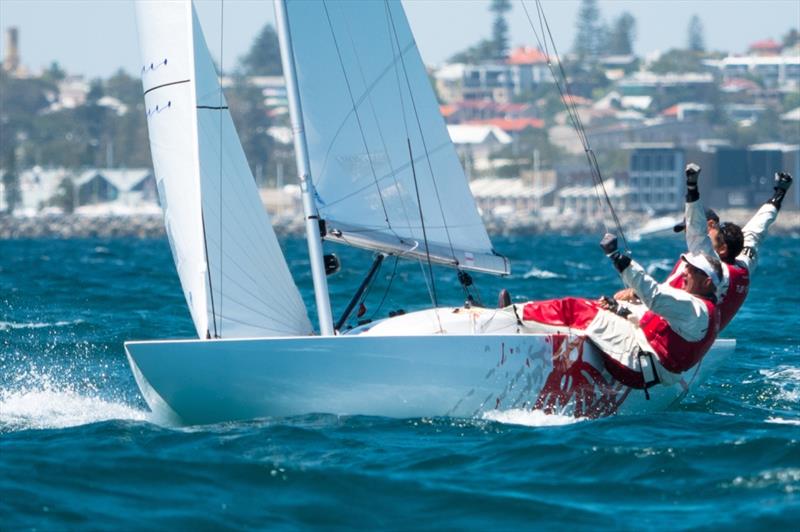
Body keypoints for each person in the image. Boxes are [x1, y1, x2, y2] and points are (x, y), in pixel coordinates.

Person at [522, 234, 723, 391]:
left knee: (574, 309)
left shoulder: (695, 309)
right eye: (687, 266)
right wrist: (620, 310)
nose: (685, 272)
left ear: (707, 283)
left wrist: (617, 257)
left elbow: (653, 297)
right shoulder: (704, 310)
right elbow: (656, 323)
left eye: (693, 270)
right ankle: (528, 321)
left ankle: (514, 316)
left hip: (635, 365)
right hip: (645, 368)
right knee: (598, 308)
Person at [656, 165, 793, 330]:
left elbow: (697, 233)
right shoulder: (743, 263)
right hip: (701, 332)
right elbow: (758, 227)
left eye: (687, 228)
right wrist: (779, 194)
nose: (687, 234)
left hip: (683, 334)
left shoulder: (713, 266)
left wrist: (692, 187)